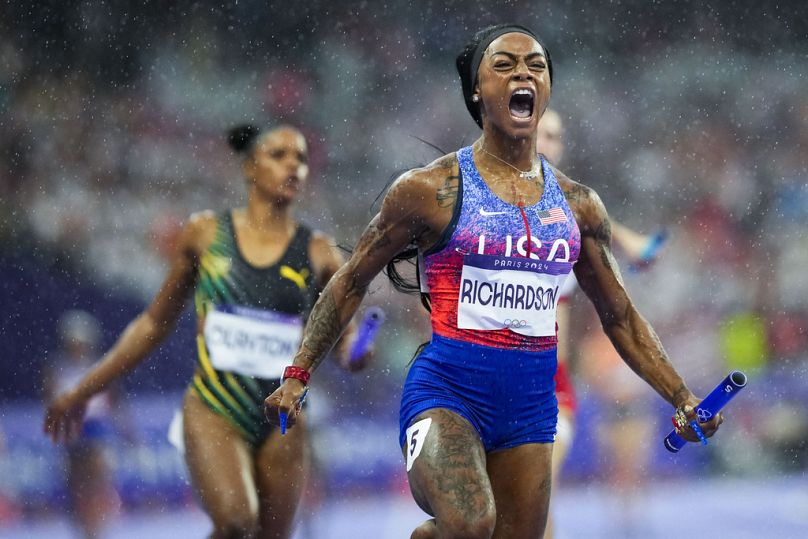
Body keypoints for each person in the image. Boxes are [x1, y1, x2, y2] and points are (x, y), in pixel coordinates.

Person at [265, 24, 722, 539]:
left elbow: (620, 317)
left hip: (530, 408)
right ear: (477, 91)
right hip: (447, 394)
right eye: (503, 65)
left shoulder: (578, 206)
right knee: (469, 522)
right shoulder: (429, 189)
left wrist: (683, 397)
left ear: (545, 90)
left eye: (536, 66)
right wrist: (298, 373)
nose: (523, 73)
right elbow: (350, 282)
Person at [45, 124, 364, 539]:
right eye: (279, 155)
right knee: (235, 521)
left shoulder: (318, 250)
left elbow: (344, 334)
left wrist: (356, 350)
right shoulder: (205, 236)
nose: (293, 166)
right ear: (250, 168)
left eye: (301, 159)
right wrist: (85, 388)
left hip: (281, 413)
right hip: (215, 406)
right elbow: (153, 323)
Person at [535, 109, 667, 539]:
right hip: (485, 378)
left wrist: (635, 244)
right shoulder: (481, 203)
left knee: (536, 493)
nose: (549, 144)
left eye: (556, 135)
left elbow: (599, 226)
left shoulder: (570, 213)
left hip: (549, 385)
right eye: (541, 133)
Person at [42, 310, 121, 538]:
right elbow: (49, 401)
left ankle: (98, 526)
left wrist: (125, 429)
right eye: (74, 343)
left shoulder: (100, 365)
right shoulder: (56, 368)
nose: (78, 347)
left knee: (97, 481)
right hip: (72, 429)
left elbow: (115, 401)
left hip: (96, 428)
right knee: (75, 484)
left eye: (81, 343)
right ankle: (82, 527)